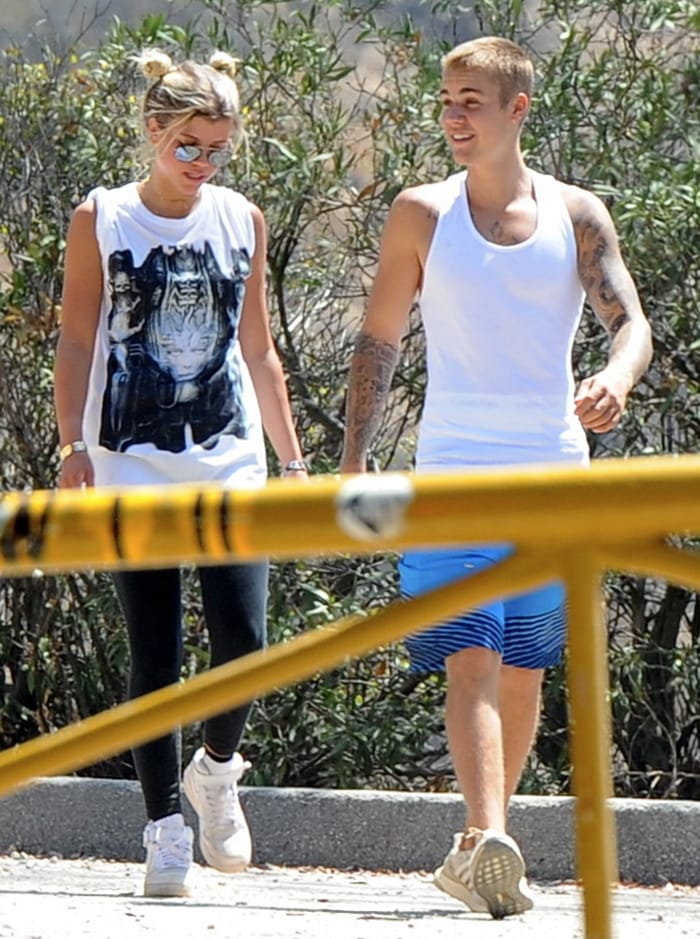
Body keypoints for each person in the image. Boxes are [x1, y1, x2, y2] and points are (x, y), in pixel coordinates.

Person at [340, 36, 652, 919]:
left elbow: (630, 324)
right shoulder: (420, 213)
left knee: (523, 668)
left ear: (518, 110)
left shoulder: (578, 214)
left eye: (473, 100)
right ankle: (486, 833)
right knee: (469, 654)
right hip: (452, 474)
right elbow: (379, 339)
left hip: (556, 474)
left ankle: (480, 846)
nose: (454, 115)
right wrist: (355, 463)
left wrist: (614, 379)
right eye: (448, 99)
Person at [54, 48, 308, 898]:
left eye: (218, 149)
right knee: (154, 647)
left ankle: (217, 769)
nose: (203, 165)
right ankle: (163, 823)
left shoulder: (242, 218)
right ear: (154, 132)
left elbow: (258, 346)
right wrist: (71, 444)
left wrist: (296, 459)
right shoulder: (103, 217)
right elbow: (80, 338)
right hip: (131, 458)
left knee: (247, 639)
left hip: (229, 454)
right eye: (189, 147)